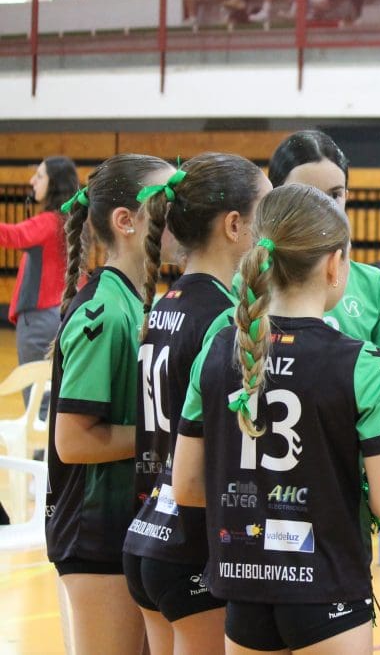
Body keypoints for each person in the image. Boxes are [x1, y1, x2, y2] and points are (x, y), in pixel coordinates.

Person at [171, 183, 380, 653]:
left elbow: (186, 487)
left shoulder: (220, 350)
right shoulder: (361, 363)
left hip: (243, 590)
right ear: (333, 264)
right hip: (327, 591)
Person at [121, 153, 271, 655]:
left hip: (147, 535)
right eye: (266, 212)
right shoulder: (224, 320)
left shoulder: (163, 304)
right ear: (235, 226)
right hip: (194, 545)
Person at [46, 153, 176, 655]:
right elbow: (73, 440)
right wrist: (168, 439)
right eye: (169, 202)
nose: (179, 214)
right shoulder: (102, 312)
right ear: (126, 221)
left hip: (129, 524)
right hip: (95, 533)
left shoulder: (137, 301)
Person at [266, 130, 380, 358]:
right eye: (306, 194)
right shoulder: (247, 280)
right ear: (275, 197)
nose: (322, 207)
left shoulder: (373, 285)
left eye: (334, 194)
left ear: (347, 194)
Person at [1, 156, 77, 414]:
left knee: (38, 403)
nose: (32, 181)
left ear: (53, 183)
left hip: (39, 320)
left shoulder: (49, 222)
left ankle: (38, 455)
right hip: (59, 315)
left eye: (40, 176)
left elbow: (11, 235)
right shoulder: (70, 220)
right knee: (53, 399)